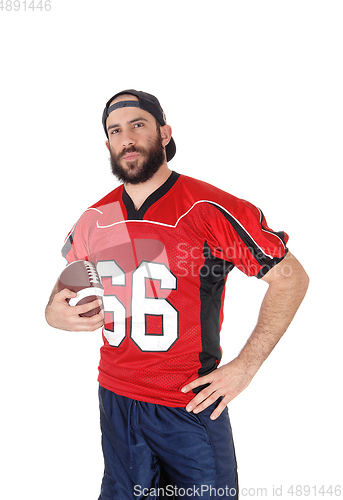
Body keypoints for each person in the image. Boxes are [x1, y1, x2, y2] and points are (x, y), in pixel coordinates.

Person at [45, 90, 309, 499]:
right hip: (115, 398)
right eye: (116, 131)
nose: (127, 138)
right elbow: (76, 269)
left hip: (188, 405)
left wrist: (245, 366)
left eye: (138, 125)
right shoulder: (96, 216)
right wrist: (52, 309)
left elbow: (291, 278)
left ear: (164, 133)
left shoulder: (207, 207)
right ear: (108, 145)